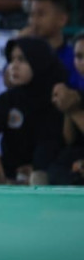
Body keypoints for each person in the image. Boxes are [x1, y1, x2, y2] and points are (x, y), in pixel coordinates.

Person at [0, 38, 66, 185]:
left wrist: (37, 168)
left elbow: (52, 142)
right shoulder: (12, 98)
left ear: (39, 62)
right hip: (12, 171)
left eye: (22, 60)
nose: (13, 66)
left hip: (49, 171)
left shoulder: (58, 97)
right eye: (12, 59)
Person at [19, 0, 82, 89]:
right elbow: (8, 81)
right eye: (31, 14)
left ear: (62, 20)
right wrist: (19, 48)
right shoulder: (23, 54)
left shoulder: (75, 58)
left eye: (41, 14)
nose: (33, 21)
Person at [47, 33, 84, 185]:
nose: (82, 62)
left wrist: (73, 110)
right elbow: (70, 140)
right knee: (57, 168)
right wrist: (66, 107)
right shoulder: (77, 93)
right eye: (79, 56)